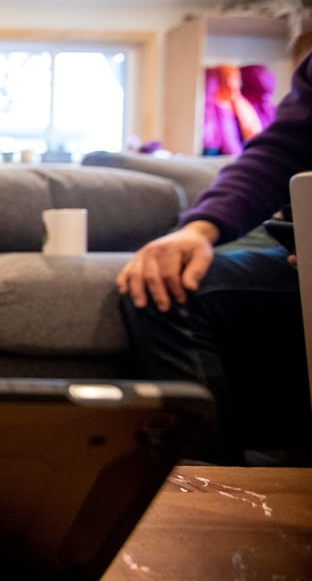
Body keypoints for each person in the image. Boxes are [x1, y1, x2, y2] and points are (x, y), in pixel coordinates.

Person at [117, 50, 312, 465]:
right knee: (164, 285)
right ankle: (215, 485)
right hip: (300, 257)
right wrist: (199, 229)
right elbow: (280, 152)